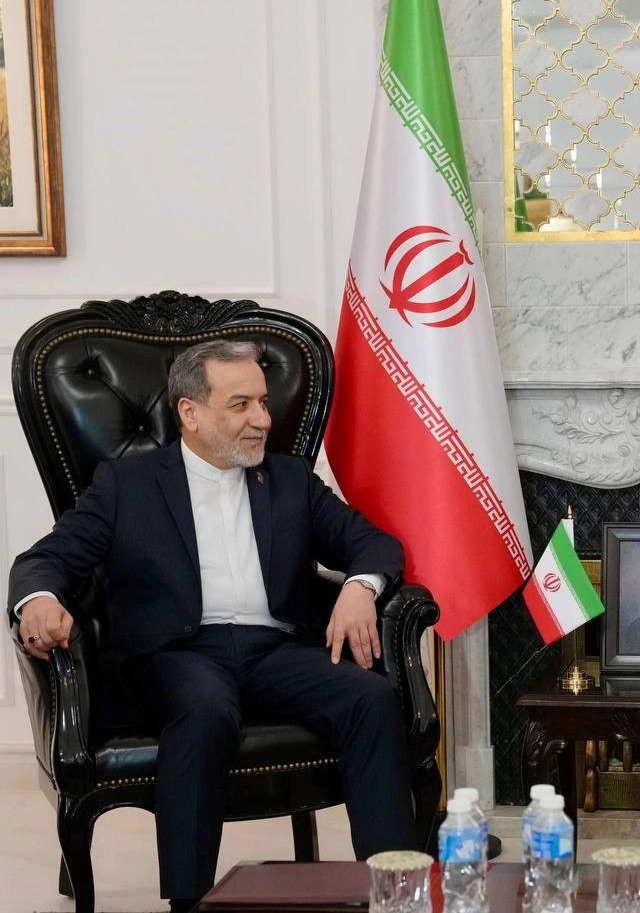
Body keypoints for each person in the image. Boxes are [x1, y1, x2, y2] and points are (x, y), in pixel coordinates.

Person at [8, 340, 416, 912]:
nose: (262, 420)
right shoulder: (127, 484)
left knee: (370, 699)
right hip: (176, 654)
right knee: (203, 709)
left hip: (275, 650)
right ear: (190, 412)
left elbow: (373, 544)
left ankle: (396, 893)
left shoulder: (291, 479)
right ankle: (189, 902)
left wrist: (359, 587)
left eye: (264, 403)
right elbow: (47, 558)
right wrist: (39, 599)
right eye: (240, 404)